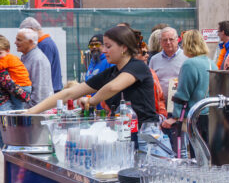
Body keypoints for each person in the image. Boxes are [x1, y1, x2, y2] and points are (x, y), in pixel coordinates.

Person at [28, 26, 158, 124]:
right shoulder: (110, 73)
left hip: (146, 137)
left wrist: (91, 101)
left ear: (123, 48)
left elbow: (113, 87)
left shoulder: (138, 66)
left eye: (108, 46)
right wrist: (30, 112)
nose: (104, 50)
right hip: (123, 134)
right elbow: (69, 93)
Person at [165, 30, 215, 152]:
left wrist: (175, 117)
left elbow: (182, 94)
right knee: (207, 154)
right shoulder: (211, 63)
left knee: (196, 155)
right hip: (211, 115)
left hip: (195, 116)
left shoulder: (189, 64)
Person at [20, 17, 62, 90]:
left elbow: (42, 73)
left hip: (50, 91)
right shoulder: (45, 43)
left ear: (32, 30)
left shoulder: (44, 45)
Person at [15, 28, 53, 107]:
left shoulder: (37, 59)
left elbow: (39, 93)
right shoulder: (27, 57)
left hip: (35, 112)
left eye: (19, 40)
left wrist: (30, 111)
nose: (15, 42)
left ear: (30, 42)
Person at [149, 27, 185, 108]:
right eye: (165, 40)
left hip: (180, 106)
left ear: (177, 40)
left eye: (171, 39)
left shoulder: (186, 57)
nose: (168, 42)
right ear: (160, 42)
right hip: (160, 106)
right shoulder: (154, 59)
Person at [0, 35, 33, 110]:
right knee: (19, 109)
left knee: (18, 109)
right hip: (25, 85)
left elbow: (9, 85)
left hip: (20, 87)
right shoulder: (13, 57)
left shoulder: (5, 59)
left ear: (7, 51)